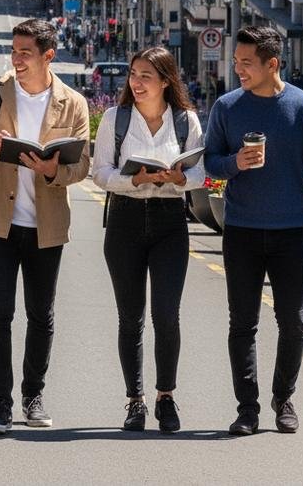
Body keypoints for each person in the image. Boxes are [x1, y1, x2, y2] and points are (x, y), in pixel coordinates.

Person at [0, 18, 90, 435]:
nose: (16, 60)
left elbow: (81, 164)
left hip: (46, 226)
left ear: (49, 56)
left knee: (41, 315)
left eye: (25, 53)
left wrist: (54, 171)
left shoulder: (74, 103)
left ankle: (33, 395)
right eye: (14, 52)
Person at [204, 26, 303, 436]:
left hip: (291, 231)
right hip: (242, 230)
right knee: (242, 323)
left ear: (272, 64)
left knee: (293, 321)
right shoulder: (226, 108)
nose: (238, 70)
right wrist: (234, 165)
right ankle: (247, 409)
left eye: (247, 63)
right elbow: (210, 161)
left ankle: (284, 398)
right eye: (236, 62)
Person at [91, 48, 205, 434]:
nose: (136, 83)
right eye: (133, 75)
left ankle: (166, 397)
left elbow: (200, 173)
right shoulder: (115, 118)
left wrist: (178, 179)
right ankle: (135, 400)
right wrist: (135, 180)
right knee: (130, 317)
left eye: (145, 77)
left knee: (167, 315)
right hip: (124, 218)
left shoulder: (186, 120)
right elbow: (101, 173)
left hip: (169, 222)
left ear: (165, 82)